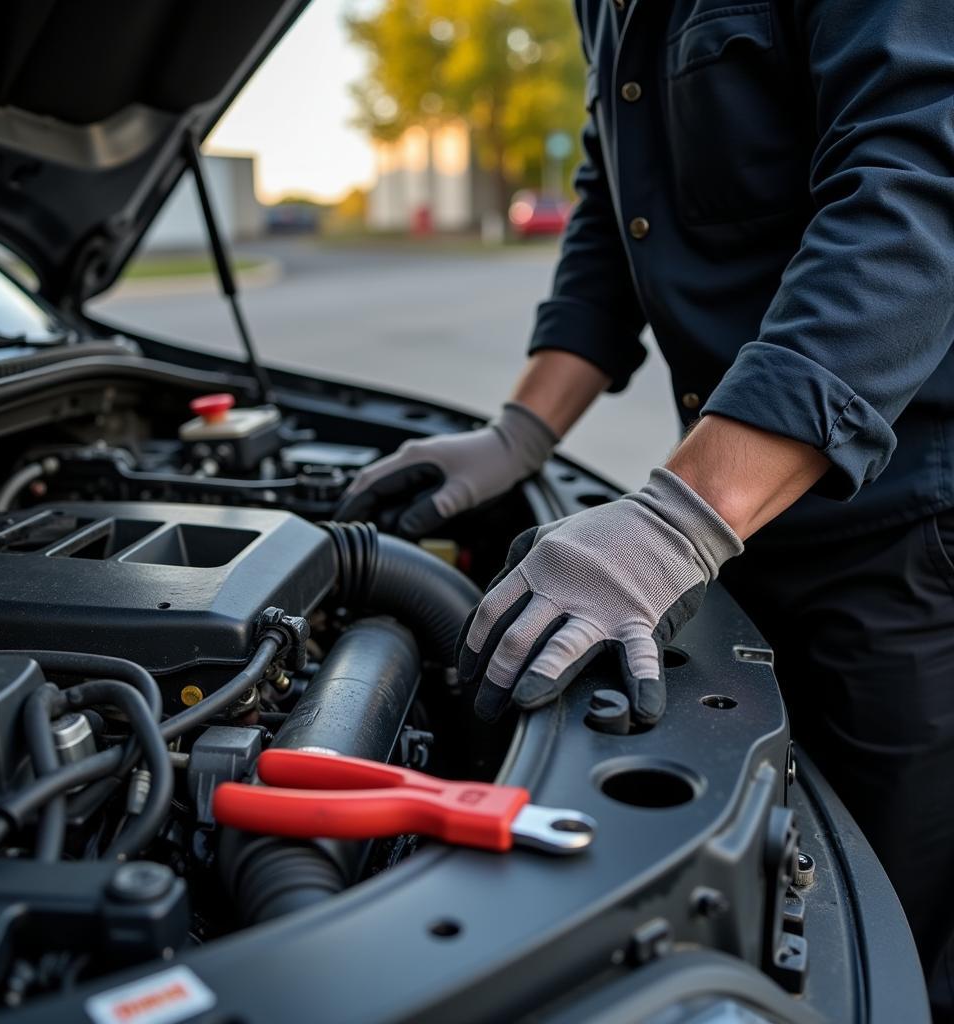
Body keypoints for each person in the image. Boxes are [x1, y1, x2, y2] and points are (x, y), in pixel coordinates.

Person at [338, 0, 954, 1011]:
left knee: (888, 927)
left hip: (901, 534)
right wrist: (520, 433)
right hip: (737, 519)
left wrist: (680, 517)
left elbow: (914, 195)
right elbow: (617, 209)